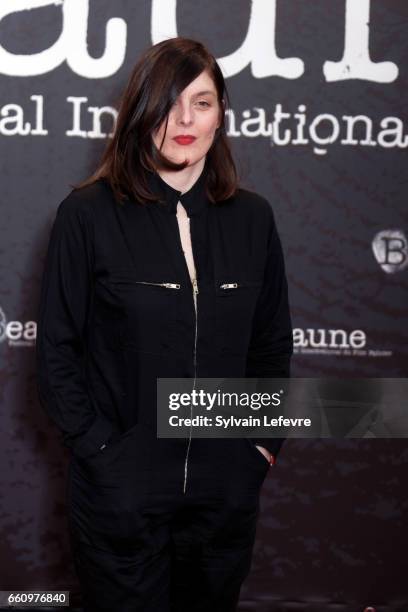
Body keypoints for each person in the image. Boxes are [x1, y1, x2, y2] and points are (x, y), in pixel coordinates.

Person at [35, 36, 293, 612]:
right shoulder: (88, 213)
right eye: (168, 101)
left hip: (224, 494)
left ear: (221, 113)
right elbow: (57, 350)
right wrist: (102, 451)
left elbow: (271, 347)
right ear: (139, 113)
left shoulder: (254, 217)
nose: (184, 119)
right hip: (121, 493)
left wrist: (258, 447)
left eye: (201, 102)